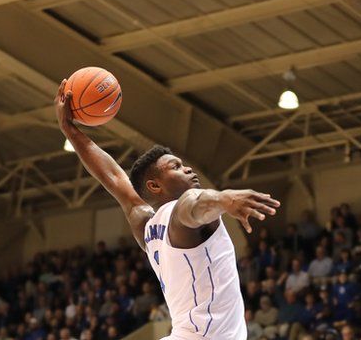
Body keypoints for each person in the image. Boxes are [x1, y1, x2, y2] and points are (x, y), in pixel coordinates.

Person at [54, 80, 280, 340]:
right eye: (176, 167)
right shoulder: (181, 212)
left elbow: (114, 178)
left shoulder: (145, 224)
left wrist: (69, 129)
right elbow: (195, 203)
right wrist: (225, 198)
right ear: (154, 185)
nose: (188, 169)